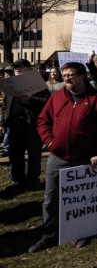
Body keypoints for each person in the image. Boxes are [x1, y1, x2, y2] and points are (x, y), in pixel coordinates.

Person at [29, 62, 97, 252]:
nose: (66, 78)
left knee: (80, 201)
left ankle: (78, 234)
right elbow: (43, 121)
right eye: (63, 75)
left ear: (82, 75)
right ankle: (48, 236)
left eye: (70, 75)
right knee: (50, 200)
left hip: (84, 159)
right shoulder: (57, 98)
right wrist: (50, 142)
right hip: (57, 158)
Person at [1, 59, 50, 190]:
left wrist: (31, 99)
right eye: (17, 71)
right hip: (14, 125)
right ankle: (17, 179)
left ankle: (33, 179)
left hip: (32, 125)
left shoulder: (38, 84)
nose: (20, 73)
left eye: (23, 71)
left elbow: (47, 102)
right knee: (15, 154)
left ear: (29, 71)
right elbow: (5, 105)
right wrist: (3, 123)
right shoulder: (10, 84)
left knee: (34, 153)